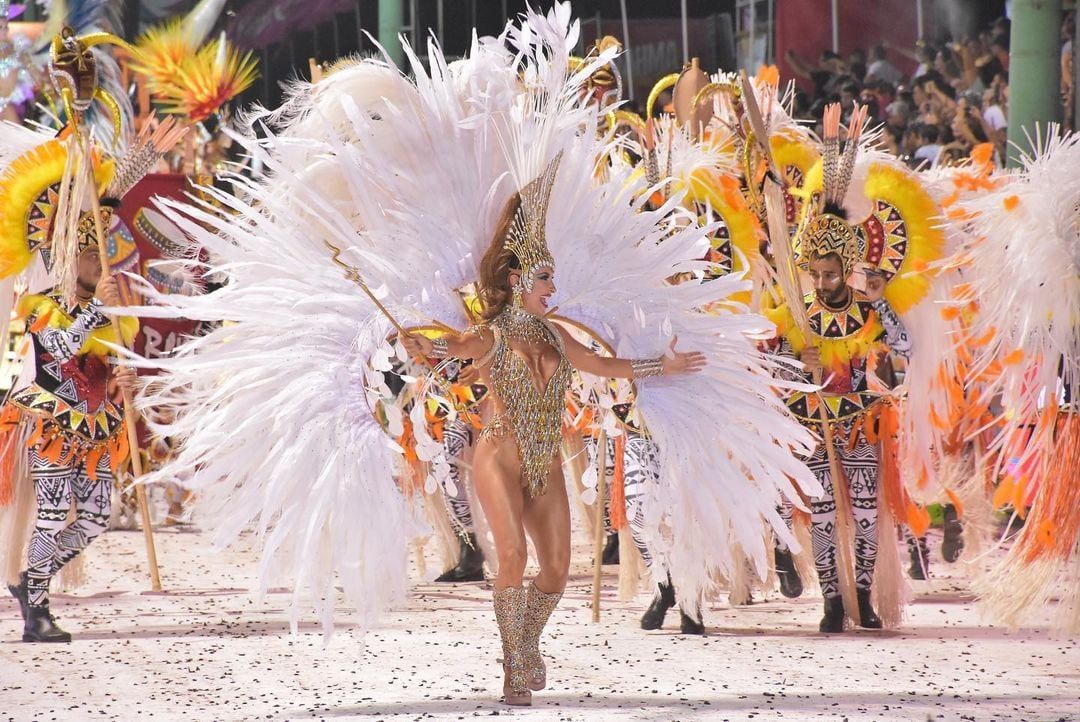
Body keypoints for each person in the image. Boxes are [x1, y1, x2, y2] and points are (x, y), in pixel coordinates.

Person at [402, 172, 706, 704]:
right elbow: (448, 346)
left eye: (553, 278)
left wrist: (666, 365)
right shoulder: (491, 334)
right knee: (513, 557)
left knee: (559, 570)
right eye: (545, 277)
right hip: (498, 457)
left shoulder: (557, 334)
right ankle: (514, 663)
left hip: (546, 462)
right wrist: (418, 346)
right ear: (518, 279)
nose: (552, 287)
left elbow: (606, 365)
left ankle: (525, 643)